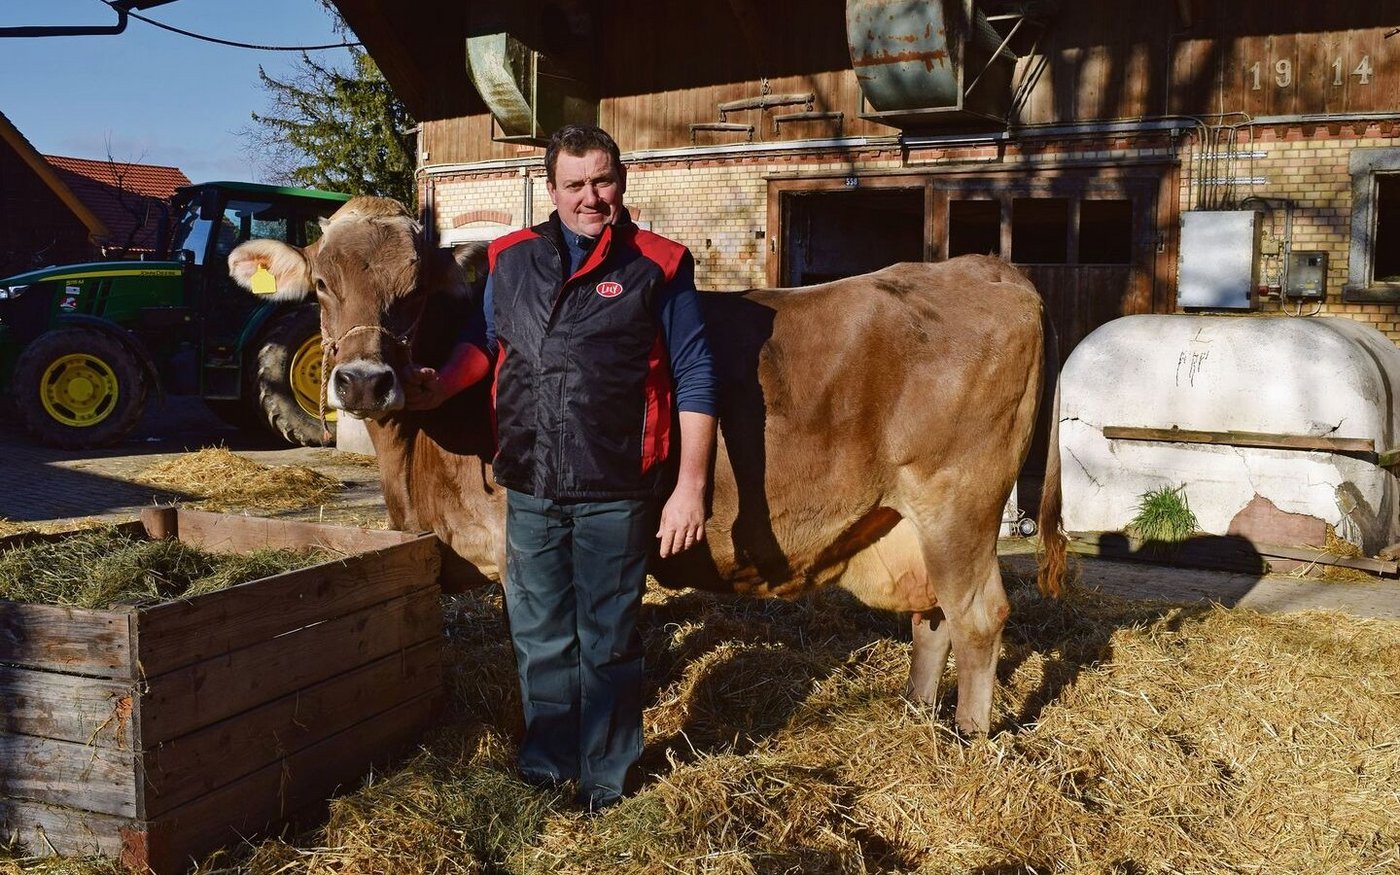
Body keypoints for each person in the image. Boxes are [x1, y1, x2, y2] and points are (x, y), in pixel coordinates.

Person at [405, 124, 717, 811]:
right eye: (575, 184)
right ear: (551, 189)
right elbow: (488, 342)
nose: (590, 197)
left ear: (621, 181)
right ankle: (547, 768)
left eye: (602, 181)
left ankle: (608, 783)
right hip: (530, 481)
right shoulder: (510, 256)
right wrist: (442, 384)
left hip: (616, 486)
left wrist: (690, 487)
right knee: (539, 636)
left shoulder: (660, 264)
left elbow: (695, 372)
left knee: (607, 640)